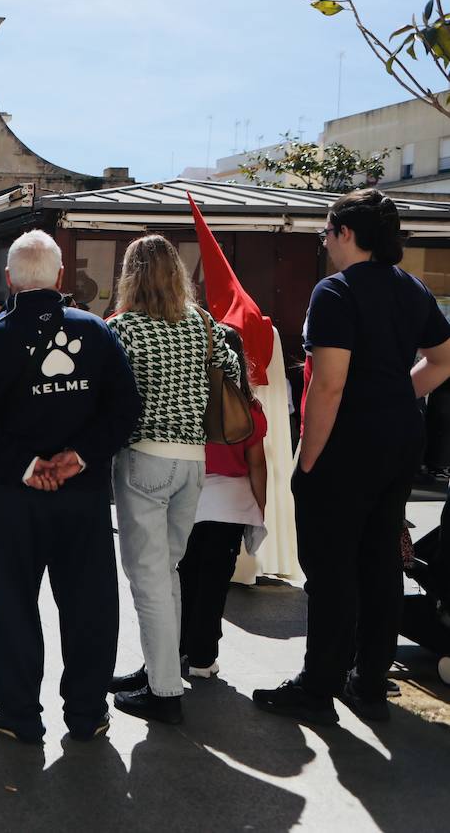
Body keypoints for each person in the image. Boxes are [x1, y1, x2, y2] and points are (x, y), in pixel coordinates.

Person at [255, 189, 450, 724]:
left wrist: (307, 458)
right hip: (400, 439)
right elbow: (443, 359)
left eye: (325, 232)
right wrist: (397, 395)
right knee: (380, 561)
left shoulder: (335, 291)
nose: (324, 242)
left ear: (344, 232)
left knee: (331, 569)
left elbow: (328, 386)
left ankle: (318, 688)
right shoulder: (411, 287)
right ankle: (369, 681)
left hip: (347, 444)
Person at [0, 229, 141, 744]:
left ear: (9, 278)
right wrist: (78, 457)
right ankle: (87, 711)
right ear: (60, 276)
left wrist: (25, 464)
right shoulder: (95, 331)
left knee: (14, 603)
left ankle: (17, 713)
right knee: (89, 603)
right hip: (82, 496)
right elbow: (124, 406)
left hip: (14, 498)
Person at [106, 234, 240, 726]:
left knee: (148, 578)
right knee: (168, 572)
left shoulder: (123, 328)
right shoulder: (202, 322)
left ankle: (163, 691)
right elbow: (232, 370)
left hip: (145, 458)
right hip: (193, 461)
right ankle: (160, 669)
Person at [180, 326, 268, 680]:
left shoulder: (190, 401)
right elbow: (257, 464)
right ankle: (203, 658)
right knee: (214, 585)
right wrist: (260, 508)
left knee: (185, 579)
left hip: (190, 500)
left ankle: (178, 648)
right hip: (232, 506)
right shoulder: (250, 408)